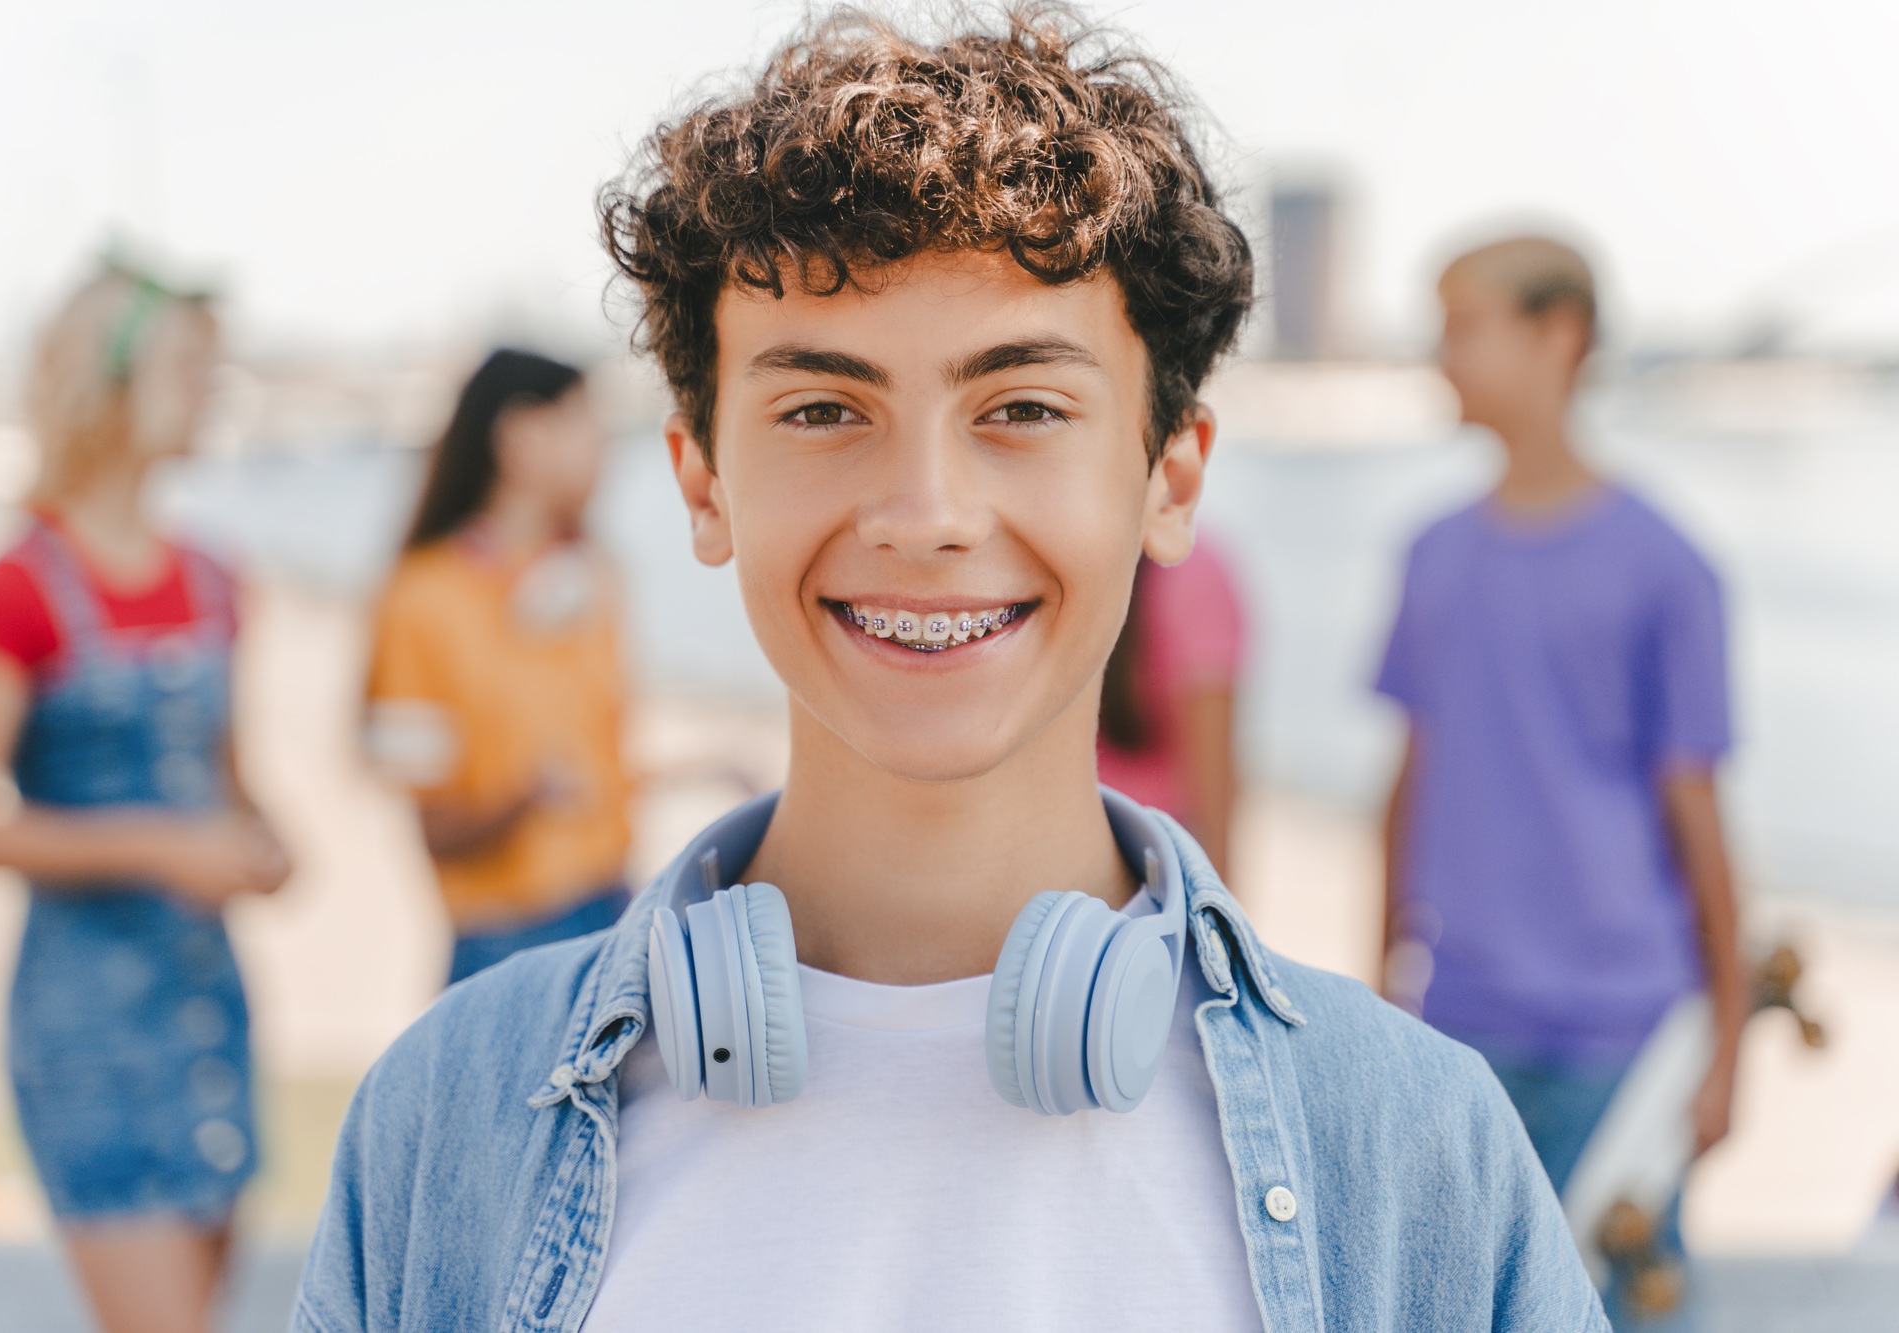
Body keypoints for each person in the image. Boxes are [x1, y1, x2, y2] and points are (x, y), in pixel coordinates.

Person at [295, 11, 1604, 1331]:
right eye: (822, 409)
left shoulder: (1421, 1150)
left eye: (1022, 407)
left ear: (1172, 475)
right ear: (701, 481)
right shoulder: (438, 1121)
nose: (925, 513)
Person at [1377, 236, 1742, 1326]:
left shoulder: (1666, 565)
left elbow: (1699, 818)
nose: (1438, 356)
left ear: (1557, 336)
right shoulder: (1432, 552)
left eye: (1461, 327)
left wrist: (1725, 1043)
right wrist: (1378, 1000)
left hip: (1621, 1038)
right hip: (1455, 1024)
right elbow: (1404, 789)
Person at [0, 260, 291, 1333]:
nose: (211, 388)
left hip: (210, 1003)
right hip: (86, 1025)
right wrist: (161, 848)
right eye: (188, 366)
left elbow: (236, 790)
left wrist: (268, 846)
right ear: (109, 381)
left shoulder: (220, 577)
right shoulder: (11, 591)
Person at [363, 350, 632, 986]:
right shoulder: (418, 601)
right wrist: (525, 798)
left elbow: (603, 763)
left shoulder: (591, 577)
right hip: (501, 947)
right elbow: (432, 827)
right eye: (581, 423)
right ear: (520, 438)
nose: (603, 446)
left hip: (615, 909)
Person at [1096, 537, 1247, 883]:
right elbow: (1214, 786)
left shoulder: (1061, 554)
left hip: (1068, 870)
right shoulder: (1196, 572)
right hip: (1152, 869)